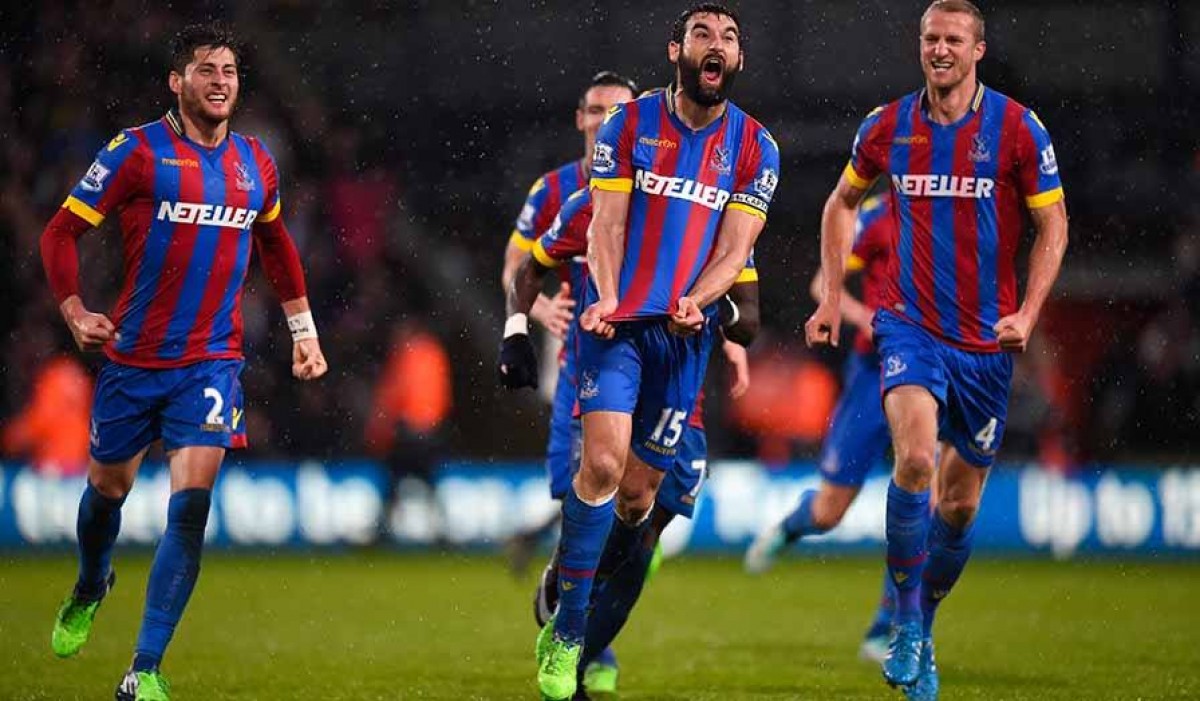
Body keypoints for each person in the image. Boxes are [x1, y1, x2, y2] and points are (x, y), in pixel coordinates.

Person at [39, 22, 328, 701]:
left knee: (190, 509)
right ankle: (91, 581)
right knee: (107, 492)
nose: (220, 81)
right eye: (206, 69)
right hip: (133, 359)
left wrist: (304, 330)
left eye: (230, 70)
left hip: (211, 362)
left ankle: (144, 667)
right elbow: (60, 232)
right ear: (177, 81)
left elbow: (277, 246)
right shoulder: (136, 152)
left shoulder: (256, 161)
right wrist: (74, 311)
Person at [505, 3, 781, 697]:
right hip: (617, 329)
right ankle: (569, 634)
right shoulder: (629, 125)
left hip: (682, 343)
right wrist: (604, 296)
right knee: (600, 465)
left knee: (637, 502)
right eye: (701, 33)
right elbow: (606, 224)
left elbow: (736, 252)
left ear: (739, 59)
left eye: (728, 37)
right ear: (675, 50)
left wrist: (703, 302)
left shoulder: (757, 148)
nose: (715, 45)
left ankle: (584, 618)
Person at [804, 2, 1068, 698]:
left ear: (978, 49)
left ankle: (923, 617)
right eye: (930, 38)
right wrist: (831, 298)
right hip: (907, 326)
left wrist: (1028, 313)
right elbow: (840, 203)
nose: (940, 49)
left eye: (954, 39)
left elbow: (1054, 226)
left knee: (958, 505)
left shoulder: (1018, 128)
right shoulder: (887, 125)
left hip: (985, 342)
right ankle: (902, 622)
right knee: (917, 458)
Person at [500, 183, 759, 696]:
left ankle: (573, 613)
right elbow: (525, 267)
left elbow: (748, 319)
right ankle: (572, 640)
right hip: (604, 364)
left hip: (681, 395)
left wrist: (716, 314)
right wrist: (517, 331)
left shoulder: (719, 217)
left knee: (640, 530)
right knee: (599, 475)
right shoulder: (585, 202)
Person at [744, 192, 906, 664]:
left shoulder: (957, 212)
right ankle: (793, 524)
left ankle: (888, 627)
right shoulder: (878, 216)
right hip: (874, 373)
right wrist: (866, 318)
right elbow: (823, 285)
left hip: (935, 370)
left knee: (927, 496)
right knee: (829, 511)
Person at [500, 71, 639, 575]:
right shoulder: (553, 189)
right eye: (596, 110)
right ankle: (576, 580)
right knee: (575, 484)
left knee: (633, 490)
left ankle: (591, 582)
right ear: (580, 119)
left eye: (617, 111)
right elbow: (513, 268)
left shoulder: (654, 188)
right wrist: (538, 310)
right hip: (578, 355)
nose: (605, 121)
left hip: (643, 356)